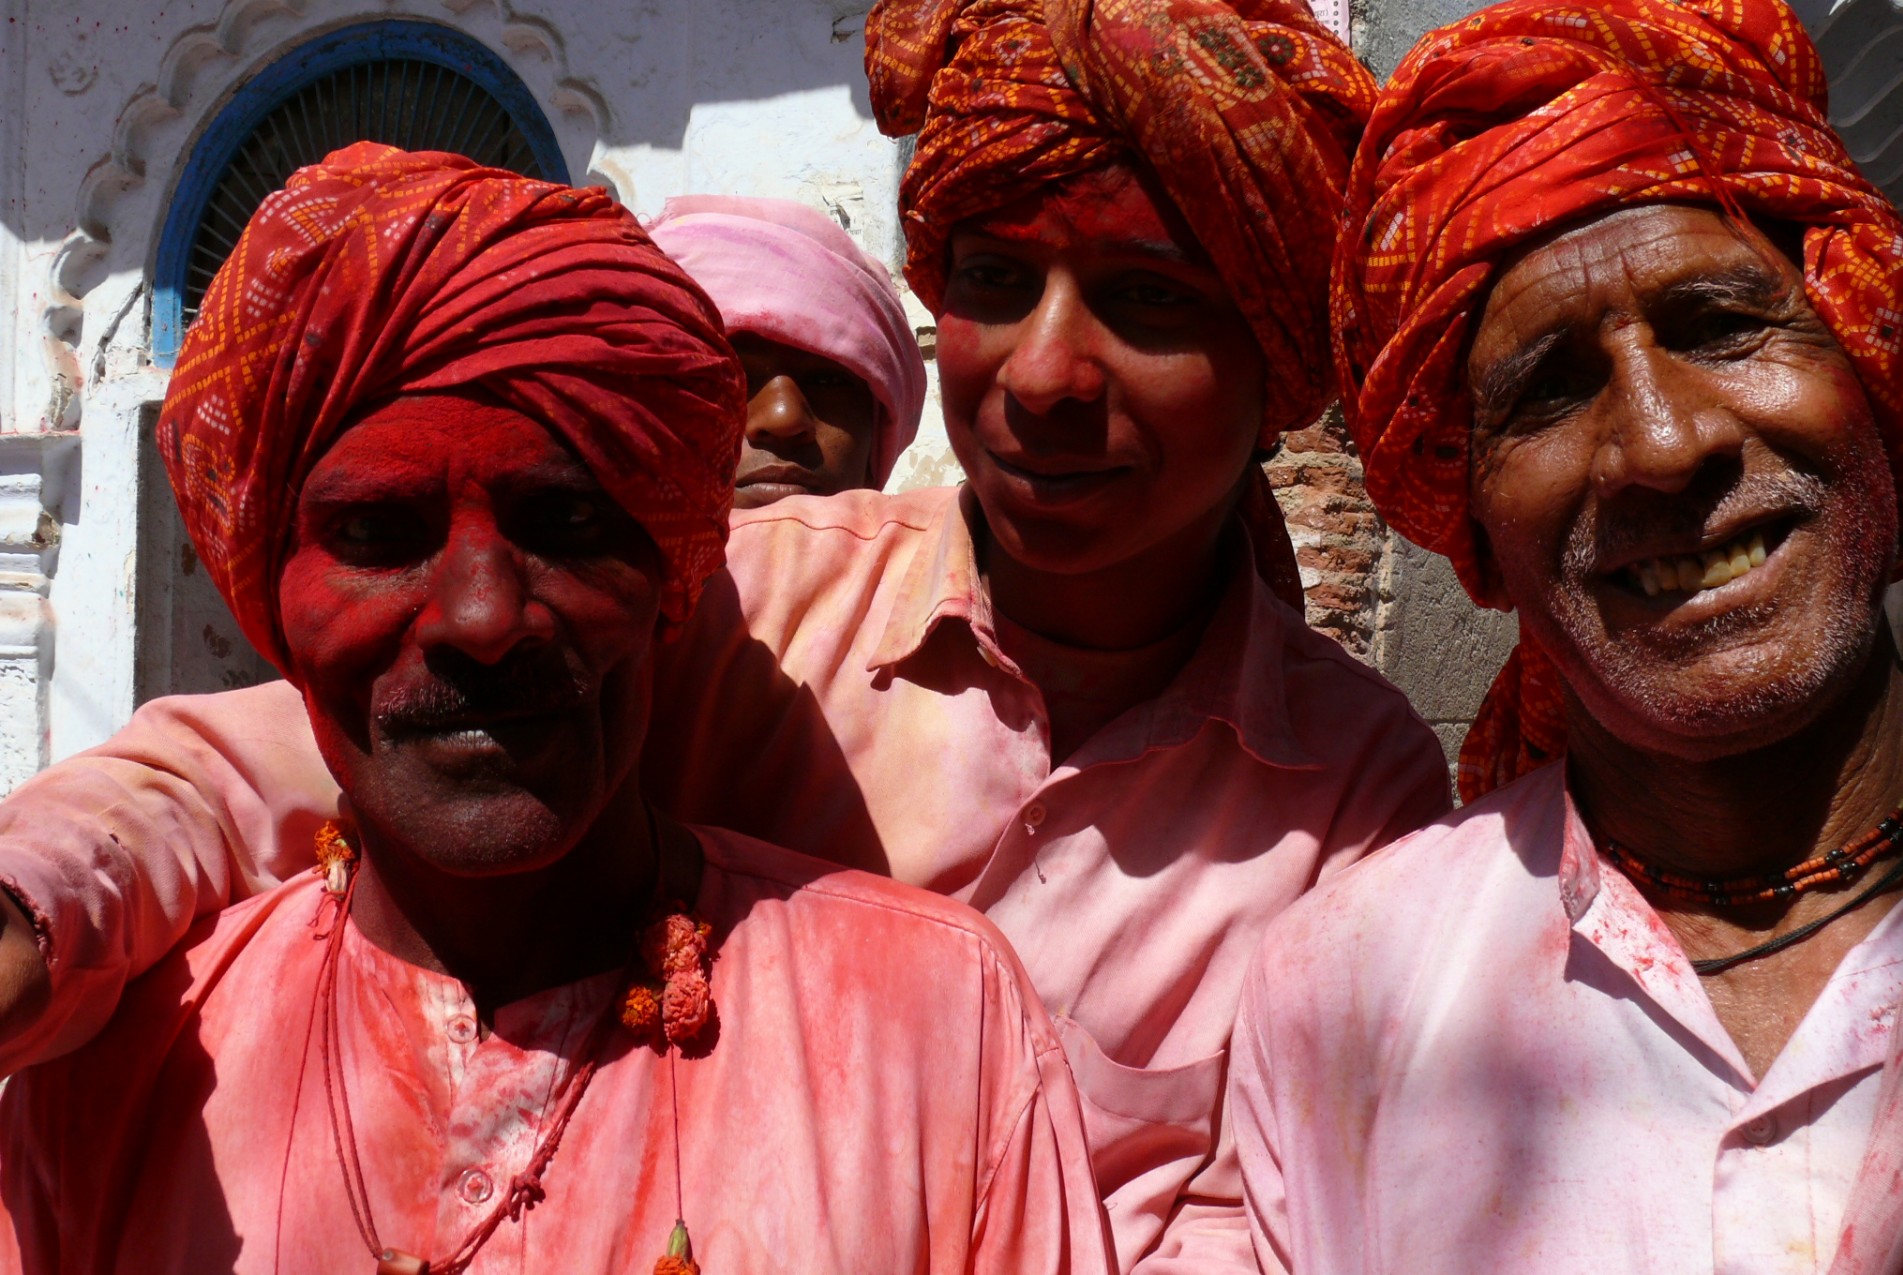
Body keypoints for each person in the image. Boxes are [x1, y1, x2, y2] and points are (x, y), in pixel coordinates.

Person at [0, 3, 1448, 1270]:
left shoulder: (1345, 793)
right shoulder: (762, 597)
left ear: (1278, 376)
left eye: (1147, 303)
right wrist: (38, 899)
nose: (1047, 376)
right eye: (995, 285)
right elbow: (265, 763)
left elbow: (1272, 1209)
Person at [0, 144, 1110, 1274]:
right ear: (273, 611)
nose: (483, 619)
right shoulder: (127, 1072)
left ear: (673, 582)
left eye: (566, 524)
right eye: (380, 535)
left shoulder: (931, 1029)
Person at [1227, 1, 1903, 1270]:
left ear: (1868, 355)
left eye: (1720, 325)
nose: (1662, 445)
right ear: (1473, 509)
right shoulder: (1346, 994)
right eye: (1551, 389)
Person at [647, 195, 926, 508]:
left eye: (829, 381)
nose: (784, 418)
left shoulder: (951, 555)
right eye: (724, 379)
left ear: (877, 437)